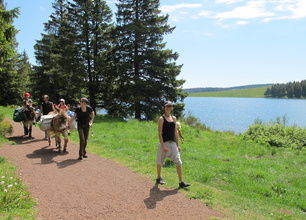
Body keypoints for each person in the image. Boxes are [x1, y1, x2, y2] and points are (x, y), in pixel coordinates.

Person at [156, 101, 190, 188]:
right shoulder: (161, 119)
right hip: (164, 143)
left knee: (178, 161)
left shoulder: (174, 118)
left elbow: (175, 132)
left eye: (170, 106)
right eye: (167, 106)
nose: (168, 108)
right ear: (164, 107)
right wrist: (162, 145)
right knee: (160, 161)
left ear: (172, 108)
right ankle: (159, 177)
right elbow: (160, 133)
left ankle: (181, 182)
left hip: (173, 143)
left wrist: (177, 145)